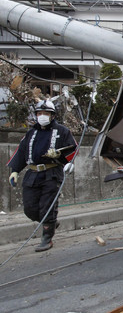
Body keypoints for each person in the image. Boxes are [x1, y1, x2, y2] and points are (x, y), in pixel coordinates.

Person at [7, 99, 77, 252]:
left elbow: (72, 150)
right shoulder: (31, 132)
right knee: (30, 209)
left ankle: (47, 238)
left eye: (46, 113)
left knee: (47, 207)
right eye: (40, 113)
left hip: (51, 174)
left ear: (52, 115)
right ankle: (51, 223)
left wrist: (64, 159)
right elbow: (21, 152)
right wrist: (15, 171)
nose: (43, 116)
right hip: (32, 174)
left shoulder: (62, 131)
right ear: (36, 114)